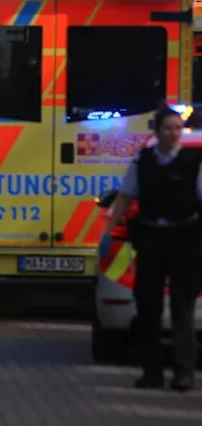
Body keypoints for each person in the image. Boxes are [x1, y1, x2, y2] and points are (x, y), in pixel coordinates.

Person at [102, 106, 202, 391]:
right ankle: (152, 372)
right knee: (148, 308)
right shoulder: (143, 160)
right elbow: (125, 196)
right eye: (168, 128)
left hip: (183, 239)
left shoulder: (193, 162)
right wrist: (109, 231)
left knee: (182, 308)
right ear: (157, 131)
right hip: (151, 239)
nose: (173, 133)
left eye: (178, 128)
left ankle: (184, 372)